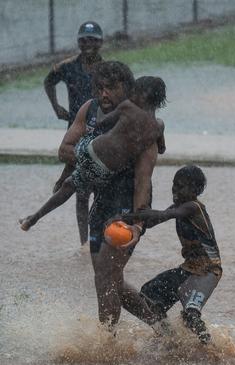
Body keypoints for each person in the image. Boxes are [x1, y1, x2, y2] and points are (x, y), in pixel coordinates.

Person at [55, 61, 158, 327]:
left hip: (129, 204)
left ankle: (106, 343)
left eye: (112, 87)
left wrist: (137, 224)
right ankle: (161, 325)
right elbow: (64, 149)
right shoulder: (88, 111)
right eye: (99, 88)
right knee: (109, 279)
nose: (104, 94)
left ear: (128, 89)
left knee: (106, 275)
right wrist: (99, 159)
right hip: (100, 203)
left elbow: (143, 181)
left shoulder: (143, 123)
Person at [19, 76, 167, 232]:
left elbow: (101, 123)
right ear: (158, 100)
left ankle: (34, 217)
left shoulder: (127, 107)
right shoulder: (158, 125)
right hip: (105, 168)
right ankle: (36, 216)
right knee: (76, 186)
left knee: (69, 184)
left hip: (92, 150)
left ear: (140, 94)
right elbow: (162, 148)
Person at [119, 165, 221, 344]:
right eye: (174, 185)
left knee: (190, 315)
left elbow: (170, 214)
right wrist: (126, 220)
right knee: (148, 296)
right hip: (189, 269)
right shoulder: (177, 206)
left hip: (208, 271)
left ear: (196, 190)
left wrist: (149, 213)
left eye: (181, 186)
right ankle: (170, 338)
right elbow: (154, 220)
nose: (175, 190)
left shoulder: (193, 207)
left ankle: (210, 349)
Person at [44, 21, 104, 246]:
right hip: (75, 129)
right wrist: (56, 107)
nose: (88, 44)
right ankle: (84, 243)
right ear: (79, 42)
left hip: (100, 132)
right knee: (82, 193)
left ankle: (100, 239)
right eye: (84, 39)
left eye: (93, 40)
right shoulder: (67, 67)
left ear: (101, 42)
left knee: (99, 190)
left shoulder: (106, 69)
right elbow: (48, 81)